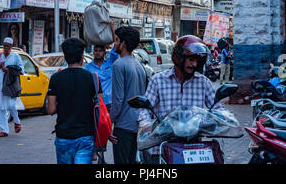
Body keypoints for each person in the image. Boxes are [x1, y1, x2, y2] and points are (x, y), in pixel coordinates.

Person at [138, 35, 225, 164]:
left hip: (193, 148)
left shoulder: (204, 82)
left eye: (197, 60)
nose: (194, 64)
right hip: (163, 146)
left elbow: (218, 108)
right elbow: (144, 109)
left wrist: (222, 117)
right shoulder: (158, 80)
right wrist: (146, 124)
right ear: (179, 57)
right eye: (190, 59)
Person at [47, 37, 100, 165]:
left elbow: (50, 110)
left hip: (64, 135)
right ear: (82, 56)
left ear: (65, 57)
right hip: (85, 136)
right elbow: (99, 108)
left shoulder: (55, 78)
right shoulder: (92, 78)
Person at [109, 26, 146, 165]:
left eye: (117, 40)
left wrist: (110, 122)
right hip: (137, 125)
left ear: (123, 44)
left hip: (123, 126)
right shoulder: (138, 65)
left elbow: (118, 99)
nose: (115, 44)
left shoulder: (118, 65)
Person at [0, 37, 24, 137]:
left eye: (7, 46)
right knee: (2, 107)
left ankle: (17, 122)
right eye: (4, 45)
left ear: (11, 46)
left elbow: (21, 70)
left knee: (11, 105)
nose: (5, 47)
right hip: (1, 84)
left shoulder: (15, 56)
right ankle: (4, 130)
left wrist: (9, 70)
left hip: (11, 85)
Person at [84, 22, 118, 112]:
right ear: (93, 52)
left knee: (109, 125)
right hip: (95, 103)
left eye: (100, 50)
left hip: (110, 103)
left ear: (104, 52)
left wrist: (112, 27)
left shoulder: (110, 63)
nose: (98, 52)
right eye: (96, 50)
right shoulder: (88, 67)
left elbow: (116, 45)